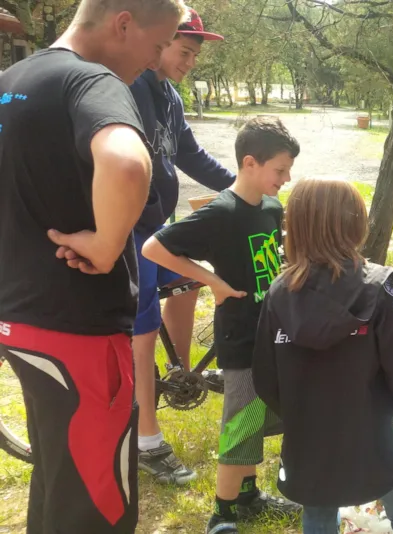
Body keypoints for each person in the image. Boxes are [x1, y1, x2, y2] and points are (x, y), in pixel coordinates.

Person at [0, 0, 186, 531]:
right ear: (122, 23)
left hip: (20, 323)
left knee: (59, 478)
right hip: (78, 331)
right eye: (156, 46)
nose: (155, 62)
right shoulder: (93, 83)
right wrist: (107, 245)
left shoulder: (11, 79)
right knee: (97, 500)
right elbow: (127, 162)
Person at [142, 116, 301, 534]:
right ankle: (221, 514)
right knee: (241, 422)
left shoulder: (270, 207)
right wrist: (210, 279)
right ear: (250, 162)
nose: (286, 178)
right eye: (280, 170)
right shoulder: (221, 213)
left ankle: (247, 495)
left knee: (260, 415)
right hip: (239, 335)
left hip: (269, 332)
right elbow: (153, 247)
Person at [252, 178, 393, 534]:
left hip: (309, 440)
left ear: (297, 227)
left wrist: (298, 415)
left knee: (319, 517)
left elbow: (265, 375)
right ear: (355, 224)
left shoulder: (278, 292)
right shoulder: (381, 286)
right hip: (378, 438)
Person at [130, 4, 234, 486]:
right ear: (160, 40)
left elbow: (191, 154)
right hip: (127, 234)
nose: (191, 61)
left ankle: (181, 373)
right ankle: (146, 439)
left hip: (156, 227)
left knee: (189, 279)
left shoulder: (169, 96)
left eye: (195, 54)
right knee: (143, 323)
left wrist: (243, 189)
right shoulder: (127, 87)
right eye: (185, 50)